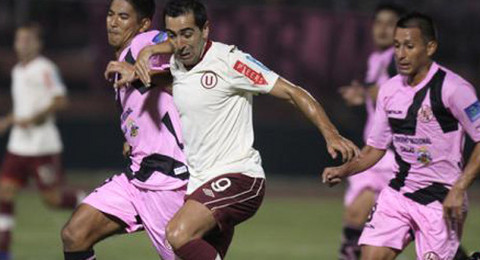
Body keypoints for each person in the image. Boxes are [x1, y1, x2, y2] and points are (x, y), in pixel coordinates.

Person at [130, 1, 359, 259]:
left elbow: (293, 92)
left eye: (187, 34)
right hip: (200, 185)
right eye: (172, 35)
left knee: (176, 233)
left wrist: (330, 133)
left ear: (205, 30)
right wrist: (140, 66)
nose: (180, 43)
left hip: (239, 178)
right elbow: (181, 82)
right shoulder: (178, 64)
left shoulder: (230, 61)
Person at [323, 12, 480, 260]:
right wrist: (343, 170)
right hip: (398, 193)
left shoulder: (455, 89)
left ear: (430, 47)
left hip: (441, 198)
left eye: (409, 46)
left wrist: (459, 189)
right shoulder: (389, 90)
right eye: (397, 46)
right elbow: (375, 149)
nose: (401, 54)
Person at [60, 0, 188, 259]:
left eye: (122, 16)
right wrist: (133, 139)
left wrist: (150, 52)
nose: (113, 21)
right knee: (75, 234)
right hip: (137, 175)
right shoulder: (122, 66)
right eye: (110, 14)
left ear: (142, 24)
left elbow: (184, 41)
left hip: (167, 178)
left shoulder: (142, 43)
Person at [0, 23, 84, 260]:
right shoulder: (17, 70)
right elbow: (24, 107)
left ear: (38, 44)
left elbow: (60, 100)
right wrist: (8, 121)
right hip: (18, 145)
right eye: (19, 40)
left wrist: (37, 118)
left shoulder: (45, 68)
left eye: (27, 39)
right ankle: (3, 250)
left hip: (42, 146)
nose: (22, 44)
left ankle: (87, 201)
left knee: (53, 200)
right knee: (4, 193)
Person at [338, 4, 404, 259]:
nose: (383, 29)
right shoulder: (376, 59)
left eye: (391, 23)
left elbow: (396, 93)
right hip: (375, 151)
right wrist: (362, 96)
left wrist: (365, 93)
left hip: (393, 155)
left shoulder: (398, 60)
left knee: (419, 228)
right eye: (379, 23)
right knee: (356, 216)